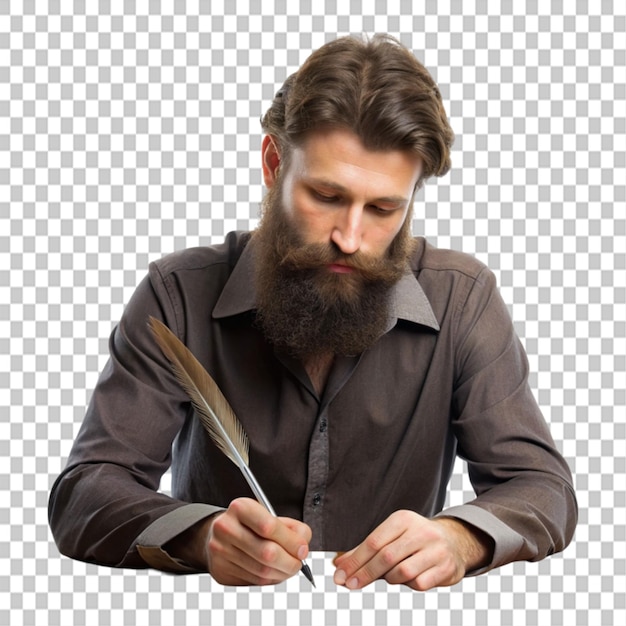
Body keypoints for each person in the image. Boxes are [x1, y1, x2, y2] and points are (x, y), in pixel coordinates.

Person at [48, 34, 577, 590]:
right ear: (274, 163)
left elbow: (544, 488)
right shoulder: (177, 294)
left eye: (383, 208)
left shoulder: (463, 298)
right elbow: (85, 492)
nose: (350, 238)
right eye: (326, 196)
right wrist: (199, 537)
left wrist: (459, 538)